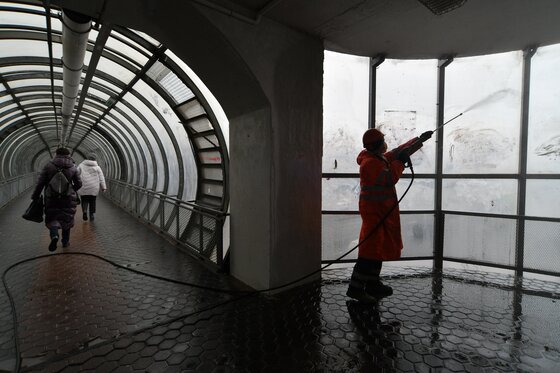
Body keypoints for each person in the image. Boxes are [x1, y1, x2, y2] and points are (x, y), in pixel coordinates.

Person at [346, 128, 432, 303]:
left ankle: (372, 284)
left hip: (381, 213)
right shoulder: (370, 163)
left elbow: (397, 152)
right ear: (378, 145)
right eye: (383, 141)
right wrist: (400, 163)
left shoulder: (377, 157)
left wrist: (419, 140)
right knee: (369, 252)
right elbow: (389, 178)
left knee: (378, 250)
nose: (386, 144)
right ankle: (355, 289)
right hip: (375, 215)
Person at [31, 147, 82, 252]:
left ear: (56, 154)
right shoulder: (73, 167)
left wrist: (35, 196)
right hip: (68, 198)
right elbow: (79, 183)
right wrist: (71, 190)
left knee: (52, 218)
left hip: (51, 197)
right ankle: (65, 242)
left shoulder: (48, 166)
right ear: (68, 155)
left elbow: (40, 183)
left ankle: (54, 236)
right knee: (67, 218)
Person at [77, 153, 106, 221]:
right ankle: (91, 214)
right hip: (94, 187)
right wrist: (103, 187)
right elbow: (101, 178)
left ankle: (84, 211)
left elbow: (76, 174)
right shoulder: (97, 167)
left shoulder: (81, 165)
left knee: (84, 200)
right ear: (95, 159)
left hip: (84, 186)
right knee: (92, 201)